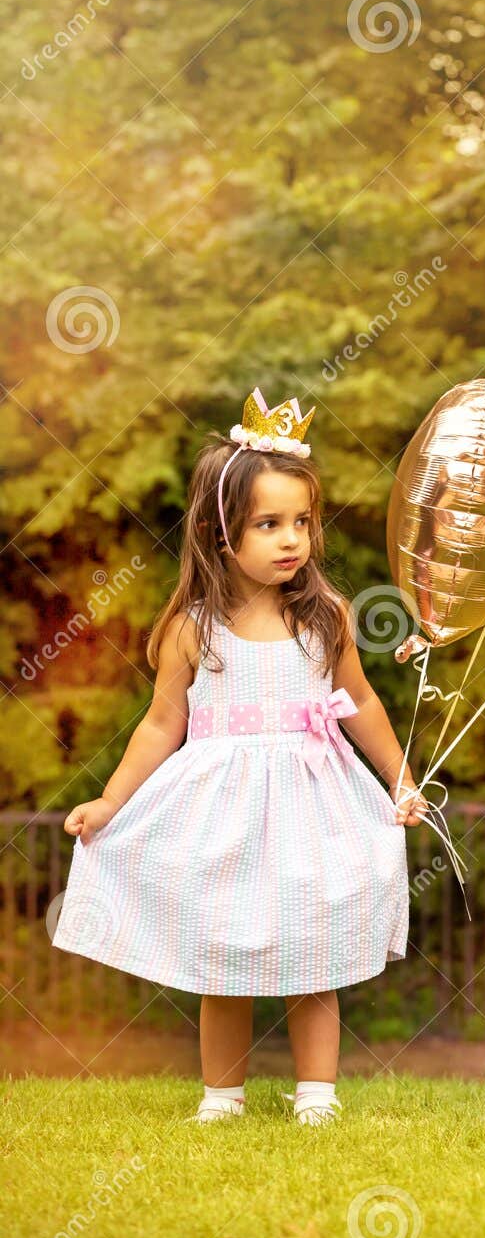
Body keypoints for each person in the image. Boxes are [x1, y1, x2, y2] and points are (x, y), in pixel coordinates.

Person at [52, 386, 433, 1129]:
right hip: (221, 818)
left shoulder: (326, 620)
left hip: (312, 811)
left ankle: (316, 1096)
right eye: (268, 524)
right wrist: (111, 802)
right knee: (221, 958)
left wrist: (401, 780)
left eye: (301, 522)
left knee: (313, 953)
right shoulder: (194, 630)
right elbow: (163, 725)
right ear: (220, 531)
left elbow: (361, 706)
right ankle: (221, 1097)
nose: (292, 539)